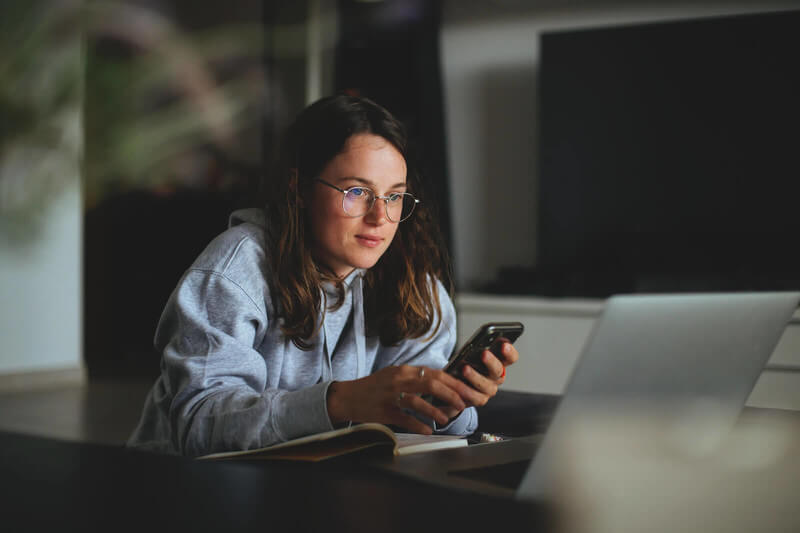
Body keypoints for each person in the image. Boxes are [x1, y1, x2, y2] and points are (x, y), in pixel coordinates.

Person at [127, 94, 519, 456]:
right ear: (299, 189)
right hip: (183, 490)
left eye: (394, 196)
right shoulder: (236, 269)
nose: (380, 218)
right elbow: (198, 424)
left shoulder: (418, 287)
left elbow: (426, 427)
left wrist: (450, 404)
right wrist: (338, 402)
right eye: (356, 192)